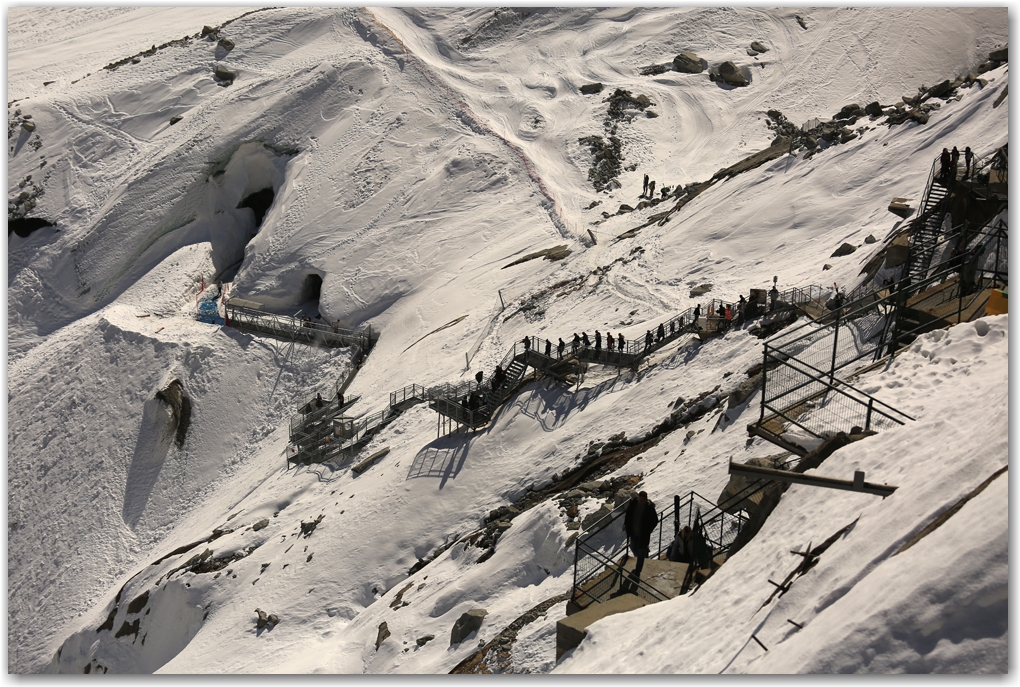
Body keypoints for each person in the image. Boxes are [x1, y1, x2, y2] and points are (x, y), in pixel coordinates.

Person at [623, 491, 658, 579]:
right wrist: (626, 524)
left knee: (641, 552)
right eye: (639, 500)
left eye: (642, 501)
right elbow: (628, 514)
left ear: (646, 500)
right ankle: (643, 554)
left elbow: (655, 521)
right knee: (633, 547)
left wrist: (648, 531)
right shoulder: (634, 503)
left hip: (643, 535)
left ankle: (637, 571)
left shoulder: (649, 508)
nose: (640, 502)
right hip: (633, 532)